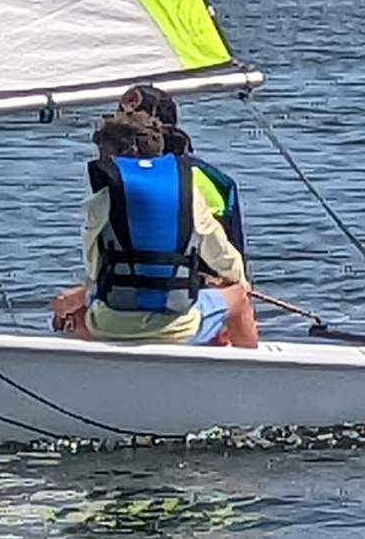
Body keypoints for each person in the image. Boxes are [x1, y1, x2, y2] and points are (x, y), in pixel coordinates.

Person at [52, 110, 258, 348]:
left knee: (71, 308)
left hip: (109, 325)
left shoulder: (100, 201)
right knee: (239, 298)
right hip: (178, 328)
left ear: (127, 153)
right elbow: (225, 259)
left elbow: (95, 271)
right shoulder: (188, 195)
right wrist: (236, 283)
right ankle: (253, 374)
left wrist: (74, 298)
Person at [117, 85, 248, 261]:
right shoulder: (200, 177)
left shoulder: (110, 178)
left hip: (125, 282)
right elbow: (225, 257)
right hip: (192, 281)